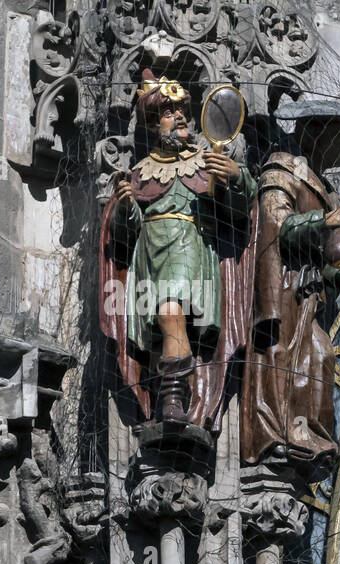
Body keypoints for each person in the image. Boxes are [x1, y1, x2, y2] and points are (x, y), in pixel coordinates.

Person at [99, 70, 257, 429]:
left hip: (189, 248)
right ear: (155, 125)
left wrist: (236, 177)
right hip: (149, 255)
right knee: (160, 328)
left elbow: (237, 210)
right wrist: (125, 209)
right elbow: (124, 237)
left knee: (171, 311)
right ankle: (166, 392)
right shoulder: (141, 172)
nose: (181, 117)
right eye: (170, 113)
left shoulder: (204, 162)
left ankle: (174, 396)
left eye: (183, 111)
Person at [241, 98, 340, 481]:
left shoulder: (323, 187)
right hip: (282, 292)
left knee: (320, 356)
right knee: (297, 358)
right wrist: (324, 219)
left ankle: (308, 436)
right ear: (316, 133)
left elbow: (325, 262)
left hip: (308, 296)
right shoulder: (280, 172)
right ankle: (284, 433)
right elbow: (276, 225)